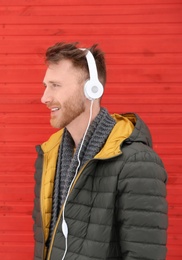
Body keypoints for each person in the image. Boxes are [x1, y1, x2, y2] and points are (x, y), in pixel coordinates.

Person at [32, 42, 168, 260]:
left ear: (91, 89)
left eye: (56, 85)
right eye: (45, 85)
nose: (45, 97)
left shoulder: (137, 163)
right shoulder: (50, 156)